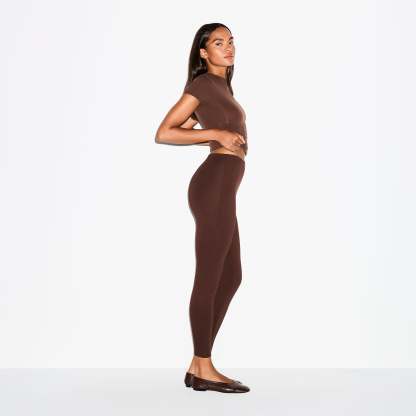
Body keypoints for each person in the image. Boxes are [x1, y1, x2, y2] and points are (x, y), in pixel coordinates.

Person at [155, 23, 250, 394]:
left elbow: (188, 127)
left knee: (232, 275)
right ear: (203, 52)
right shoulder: (203, 85)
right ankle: (204, 364)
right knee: (210, 275)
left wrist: (211, 132)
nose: (228, 48)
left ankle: (199, 366)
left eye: (231, 41)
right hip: (214, 185)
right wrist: (216, 134)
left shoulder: (222, 88)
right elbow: (165, 132)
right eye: (218, 43)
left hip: (224, 186)